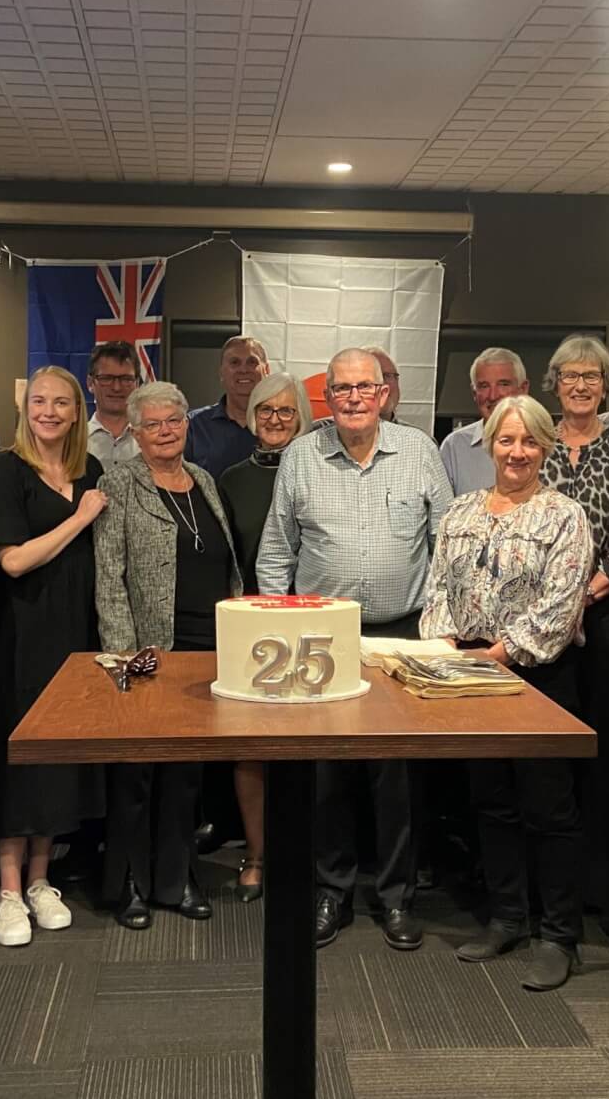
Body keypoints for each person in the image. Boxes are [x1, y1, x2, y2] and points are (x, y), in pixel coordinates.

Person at [258, 348, 453, 952]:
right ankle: (330, 891)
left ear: (383, 394)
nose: (353, 398)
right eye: (341, 389)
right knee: (327, 775)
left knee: (395, 777)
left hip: (402, 634)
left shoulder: (418, 451)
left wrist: (439, 630)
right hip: (322, 637)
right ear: (328, 397)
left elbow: (446, 547)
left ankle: (397, 897)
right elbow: (276, 552)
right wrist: (278, 632)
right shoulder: (301, 456)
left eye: (364, 387)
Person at [420, 395, 592, 990]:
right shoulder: (460, 511)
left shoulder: (565, 516)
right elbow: (437, 587)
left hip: (537, 675)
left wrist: (498, 655)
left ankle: (560, 934)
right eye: (506, 440)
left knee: (550, 808)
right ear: (490, 444)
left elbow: (562, 605)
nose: (517, 452)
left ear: (546, 448)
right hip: (469, 676)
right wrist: (445, 645)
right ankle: (508, 918)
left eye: (529, 442)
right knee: (491, 801)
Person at [95, 383, 243, 927]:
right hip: (148, 648)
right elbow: (109, 577)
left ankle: (177, 878)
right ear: (135, 432)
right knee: (137, 772)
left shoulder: (203, 479)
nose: (165, 431)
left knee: (185, 773)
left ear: (186, 424)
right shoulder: (118, 483)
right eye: (153, 424)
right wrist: (125, 654)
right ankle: (130, 882)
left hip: (207, 648)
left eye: (174, 420)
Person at [0, 366, 108, 947]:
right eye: (39, 402)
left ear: (77, 413)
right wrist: (80, 518)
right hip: (20, 633)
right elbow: (14, 562)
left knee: (57, 755)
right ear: (25, 409)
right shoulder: (6, 470)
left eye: (61, 403)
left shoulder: (89, 470)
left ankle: (40, 880)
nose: (49, 412)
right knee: (17, 753)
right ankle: (8, 889)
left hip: (75, 631)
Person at [537, 334, 609, 931]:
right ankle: (551, 888)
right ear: (554, 384)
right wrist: (557, 599)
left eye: (591, 376)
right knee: (553, 750)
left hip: (608, 615)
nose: (580, 386)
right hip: (541, 622)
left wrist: (589, 590)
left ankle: (606, 892)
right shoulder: (535, 444)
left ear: (606, 386)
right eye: (570, 376)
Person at [217, 372, 311, 902]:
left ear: (303, 417)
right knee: (251, 747)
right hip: (253, 624)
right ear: (252, 416)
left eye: (286, 411)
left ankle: (305, 855)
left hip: (313, 624)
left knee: (311, 746)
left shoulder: (320, 471)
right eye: (266, 410)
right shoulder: (231, 480)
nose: (275, 420)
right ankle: (255, 854)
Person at [438, 347, 529, 496]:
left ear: (523, 389)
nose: (493, 396)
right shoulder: (454, 447)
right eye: (484, 386)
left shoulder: (542, 443)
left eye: (503, 384)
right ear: (474, 393)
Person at [184, 334, 271, 477]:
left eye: (252, 362)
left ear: (266, 370)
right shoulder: (193, 425)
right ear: (221, 373)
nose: (243, 370)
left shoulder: (281, 425)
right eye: (235, 363)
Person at [85, 340, 141, 465]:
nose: (116, 387)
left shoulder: (152, 441)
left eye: (126, 379)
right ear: (90, 383)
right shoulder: (73, 442)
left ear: (137, 384)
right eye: (106, 378)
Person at [363, 345, 404, 423]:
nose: (382, 384)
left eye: (388, 376)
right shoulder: (337, 430)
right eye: (373, 376)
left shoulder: (414, 431)